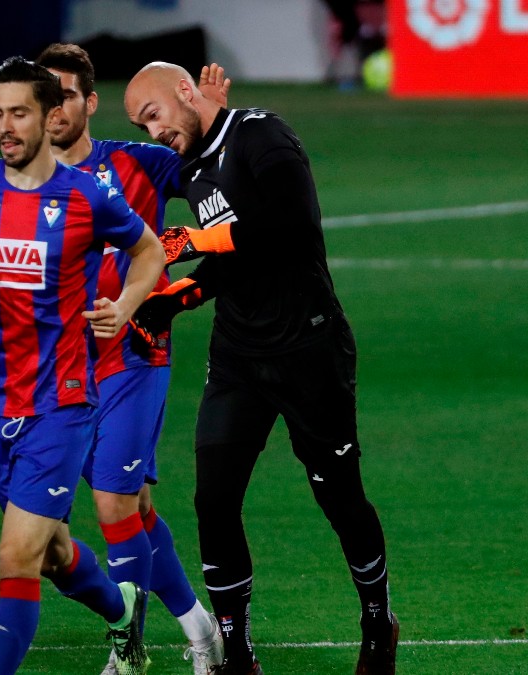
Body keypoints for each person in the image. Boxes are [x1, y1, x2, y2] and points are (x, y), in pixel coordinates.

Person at [123, 62, 399, 675]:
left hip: (310, 349)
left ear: (187, 94)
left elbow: (289, 226)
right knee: (213, 500)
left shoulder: (263, 135)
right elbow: (232, 266)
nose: (153, 132)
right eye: (142, 125)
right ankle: (238, 652)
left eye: (155, 115)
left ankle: (378, 621)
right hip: (238, 359)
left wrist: (200, 240)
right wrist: (172, 302)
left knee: (339, 497)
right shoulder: (193, 167)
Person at [0, 56, 165, 674]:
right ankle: (119, 610)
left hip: (61, 406)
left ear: (49, 115)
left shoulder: (87, 197)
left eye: (19, 113)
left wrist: (125, 303)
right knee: (53, 554)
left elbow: (146, 251)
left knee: (15, 559)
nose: (5, 127)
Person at [38, 42, 227, 675]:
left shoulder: (139, 163)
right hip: (64, 369)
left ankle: (128, 652)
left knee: (113, 505)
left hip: (135, 355)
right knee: (136, 509)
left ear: (88, 103)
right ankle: (200, 628)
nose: (51, 108)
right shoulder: (16, 183)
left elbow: (214, 170)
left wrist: (211, 114)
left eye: (63, 94)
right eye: (42, 96)